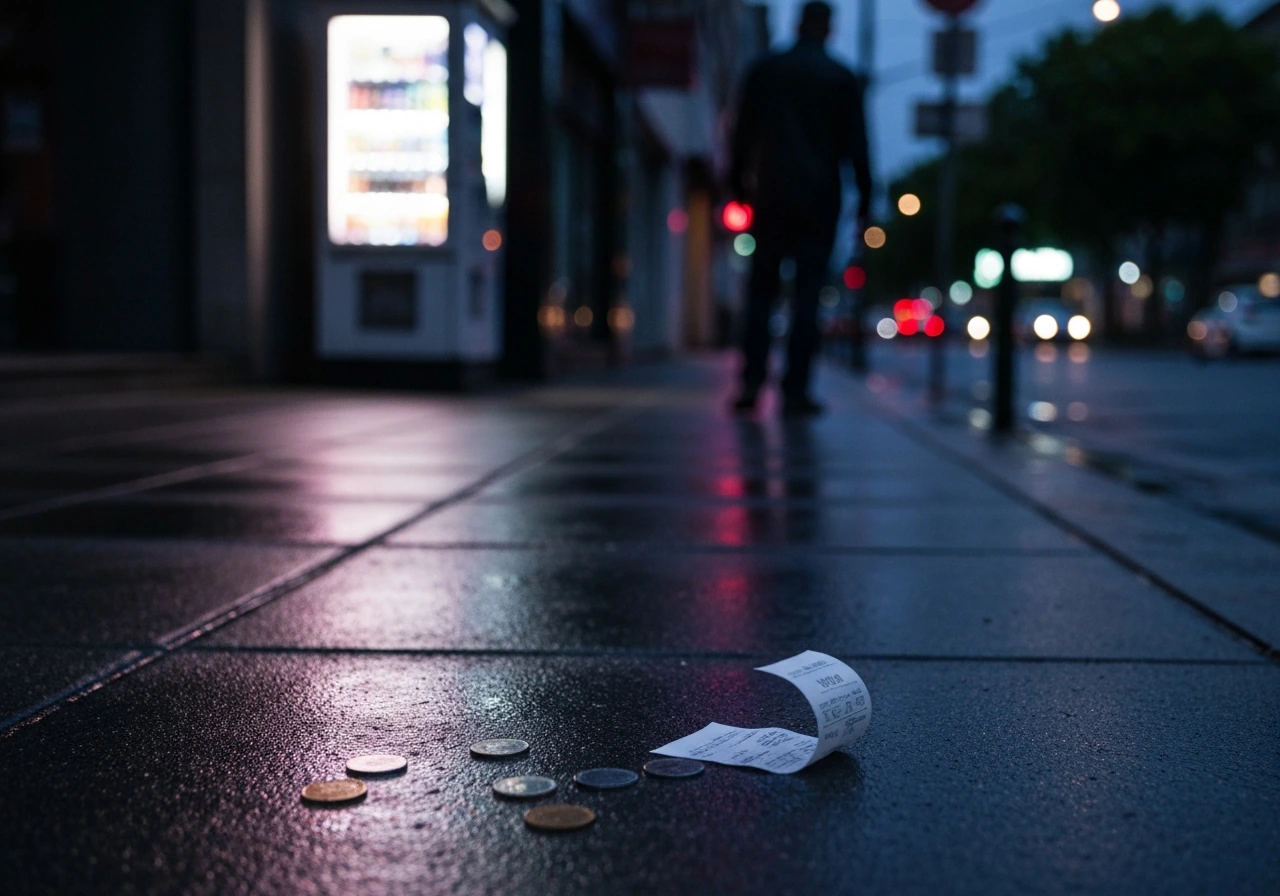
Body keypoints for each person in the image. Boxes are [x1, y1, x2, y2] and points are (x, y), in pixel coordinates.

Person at [729, 0, 873, 416]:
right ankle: (795, 390)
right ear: (829, 29)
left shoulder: (766, 70)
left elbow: (744, 132)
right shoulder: (841, 78)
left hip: (772, 193)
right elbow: (857, 145)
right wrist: (864, 198)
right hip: (819, 198)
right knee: (807, 296)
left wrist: (738, 185)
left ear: (798, 25)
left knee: (762, 292)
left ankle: (752, 381)